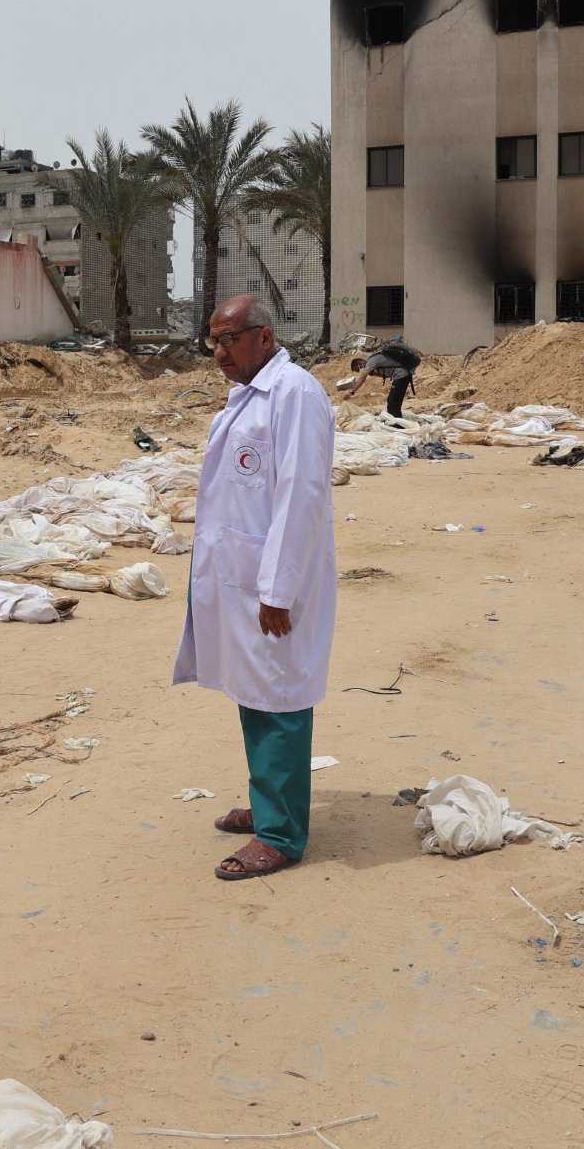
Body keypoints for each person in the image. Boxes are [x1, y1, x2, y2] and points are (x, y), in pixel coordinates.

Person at [174, 295, 338, 880]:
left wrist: (278, 589)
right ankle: (270, 802)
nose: (219, 352)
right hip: (243, 576)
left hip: (273, 582)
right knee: (254, 689)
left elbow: (301, 496)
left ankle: (282, 836)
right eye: (213, 342)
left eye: (229, 340)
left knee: (281, 698)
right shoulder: (248, 395)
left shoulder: (294, 394)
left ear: (264, 337)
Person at [341, 338, 421, 418]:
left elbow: (362, 378)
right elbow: (388, 374)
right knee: (393, 402)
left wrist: (351, 392)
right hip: (403, 376)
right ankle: (397, 421)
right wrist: (375, 374)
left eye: (358, 369)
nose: (360, 371)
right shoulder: (374, 361)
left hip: (401, 375)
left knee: (392, 402)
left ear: (361, 362)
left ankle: (397, 424)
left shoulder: (372, 360)